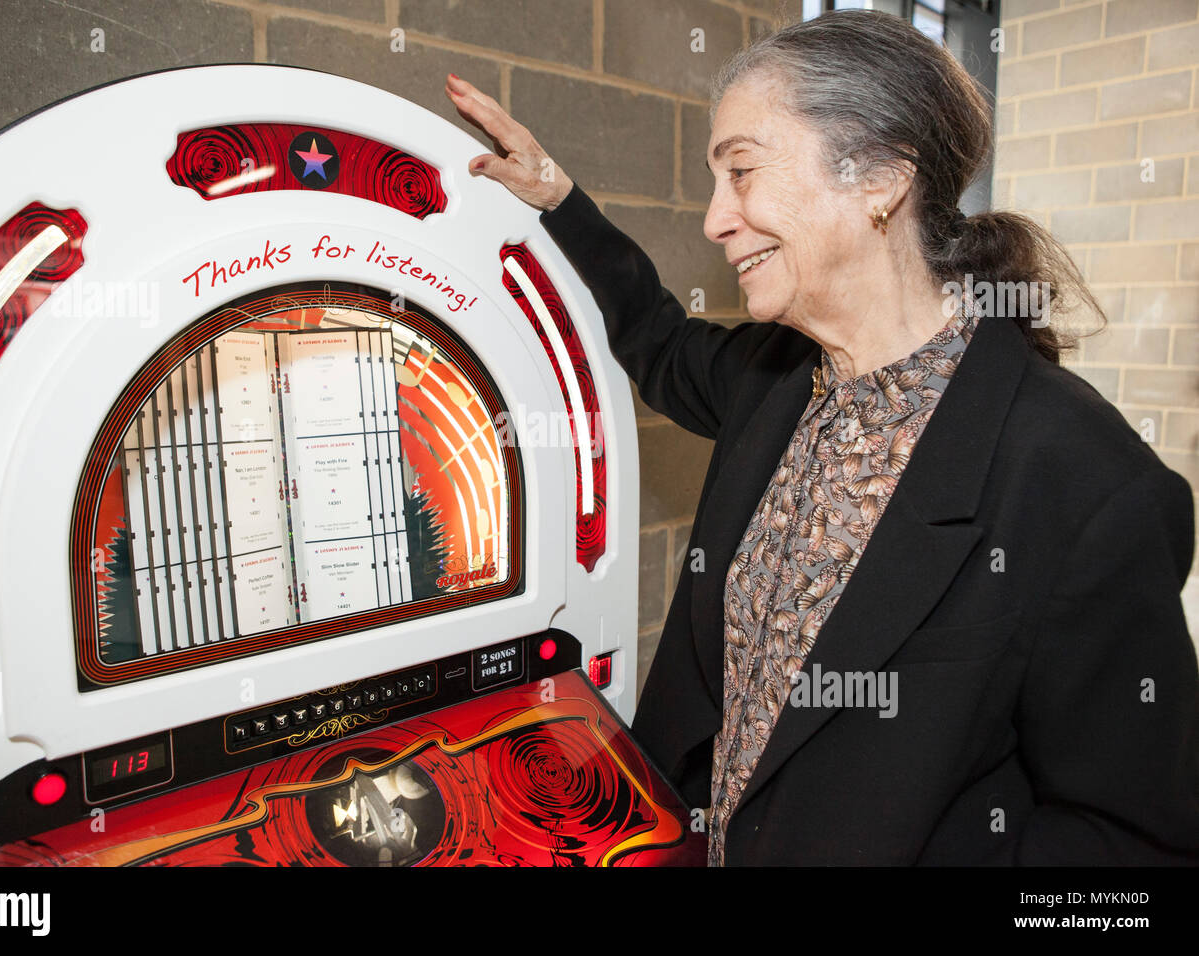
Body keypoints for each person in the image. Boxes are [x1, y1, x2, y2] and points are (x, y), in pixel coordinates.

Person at [444, 9, 1199, 865]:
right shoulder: (773, 377)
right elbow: (656, 337)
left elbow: (1129, 848)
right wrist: (560, 198)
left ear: (879, 177)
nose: (714, 221)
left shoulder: (1087, 485)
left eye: (742, 174)